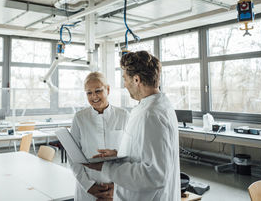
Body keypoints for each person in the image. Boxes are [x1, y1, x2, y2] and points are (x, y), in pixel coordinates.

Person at [84, 51, 180, 201]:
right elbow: (147, 154)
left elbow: (154, 175)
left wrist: (107, 167)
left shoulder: (151, 115)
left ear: (136, 79)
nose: (124, 84)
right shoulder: (155, 106)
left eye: (125, 79)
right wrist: (119, 154)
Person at [69, 72, 129, 201]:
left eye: (98, 91)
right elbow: (73, 156)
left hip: (116, 187)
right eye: (89, 93)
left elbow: (131, 154)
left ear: (107, 89)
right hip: (87, 190)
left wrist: (117, 187)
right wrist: (89, 186)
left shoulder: (123, 116)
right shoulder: (80, 118)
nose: (94, 96)